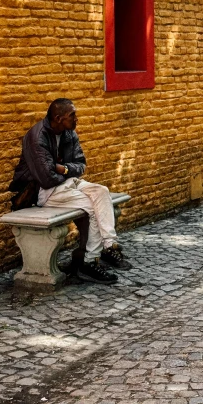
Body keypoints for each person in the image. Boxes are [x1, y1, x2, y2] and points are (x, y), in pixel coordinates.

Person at [10, 98, 130, 284]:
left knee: (101, 191)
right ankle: (89, 262)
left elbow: (81, 165)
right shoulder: (37, 137)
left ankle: (109, 243)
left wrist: (64, 169)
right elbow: (46, 178)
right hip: (45, 192)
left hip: (68, 182)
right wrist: (65, 172)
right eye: (72, 115)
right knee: (92, 207)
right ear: (58, 118)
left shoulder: (68, 133)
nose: (76, 119)